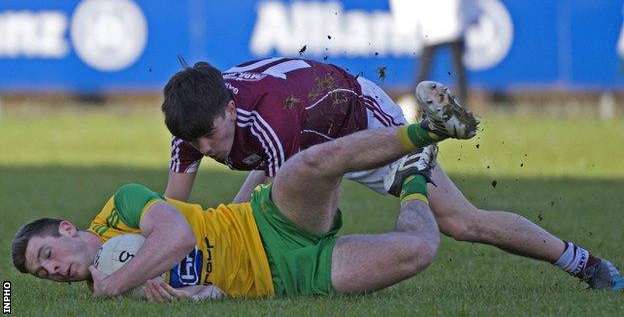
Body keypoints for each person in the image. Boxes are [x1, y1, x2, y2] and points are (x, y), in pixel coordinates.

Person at [162, 62, 624, 293]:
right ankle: (423, 138)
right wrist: (152, 269)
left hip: (363, 123)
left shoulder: (270, 120)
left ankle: (584, 263)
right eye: (194, 142)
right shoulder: (193, 121)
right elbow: (171, 212)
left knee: (463, 223)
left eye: (210, 136)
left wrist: (216, 273)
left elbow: (277, 217)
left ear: (230, 108)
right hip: (310, 138)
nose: (204, 149)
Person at [11, 94, 477, 300]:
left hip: (263, 222)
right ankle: (416, 178)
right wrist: (190, 298)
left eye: (47, 254)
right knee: (417, 251)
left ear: (67, 229)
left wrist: (117, 285)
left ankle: (423, 130)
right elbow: (210, 291)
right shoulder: (106, 289)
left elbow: (176, 236)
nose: (53, 270)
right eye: (43, 272)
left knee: (310, 163)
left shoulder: (121, 207)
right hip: (290, 279)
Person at [389, 0, 481, 105]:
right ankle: (417, 104)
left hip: (455, 18)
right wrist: (407, 20)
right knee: (425, 65)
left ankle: (463, 104)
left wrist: (472, 12)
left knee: (458, 66)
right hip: (428, 19)